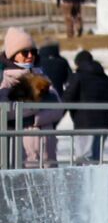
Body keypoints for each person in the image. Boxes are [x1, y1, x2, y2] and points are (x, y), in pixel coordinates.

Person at [0, 27, 62, 168]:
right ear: (13, 55)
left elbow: (58, 106)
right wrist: (38, 105)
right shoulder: (6, 79)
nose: (30, 56)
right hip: (21, 153)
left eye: (33, 51)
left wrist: (33, 118)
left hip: (47, 150)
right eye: (25, 52)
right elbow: (5, 110)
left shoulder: (40, 74)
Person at [64, 49, 108, 163]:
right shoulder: (104, 77)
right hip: (103, 124)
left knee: (84, 158)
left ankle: (84, 181)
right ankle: (95, 180)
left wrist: (56, 114)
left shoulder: (78, 76)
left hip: (84, 124)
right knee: (96, 159)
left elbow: (68, 96)